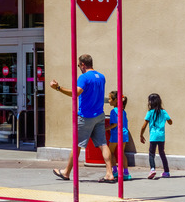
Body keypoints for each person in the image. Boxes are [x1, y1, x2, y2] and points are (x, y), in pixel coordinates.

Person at [50, 54, 114, 183]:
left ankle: (66, 172)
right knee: (103, 144)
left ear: (83, 64)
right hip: (99, 115)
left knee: (77, 145)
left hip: (86, 116)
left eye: (79, 65)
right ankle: (109, 173)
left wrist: (58, 88)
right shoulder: (101, 77)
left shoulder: (84, 77)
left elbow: (76, 93)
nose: (79, 67)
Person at [140, 93, 173, 179]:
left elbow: (144, 126)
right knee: (162, 153)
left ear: (150, 102)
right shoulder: (163, 112)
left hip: (153, 136)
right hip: (161, 136)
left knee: (151, 153)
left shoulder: (150, 112)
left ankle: (152, 169)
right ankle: (166, 172)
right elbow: (170, 122)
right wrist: (166, 120)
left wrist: (141, 135)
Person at [105, 91, 131, 180]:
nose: (108, 101)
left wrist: (106, 128)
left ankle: (115, 171)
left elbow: (114, 124)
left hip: (116, 134)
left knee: (111, 152)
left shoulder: (113, 111)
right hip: (124, 134)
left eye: (109, 99)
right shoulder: (123, 110)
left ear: (115, 100)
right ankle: (126, 173)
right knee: (121, 153)